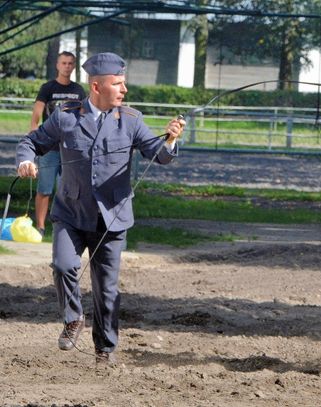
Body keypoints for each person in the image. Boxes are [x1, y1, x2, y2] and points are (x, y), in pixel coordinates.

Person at [16, 52, 186, 364]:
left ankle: (104, 350)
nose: (124, 89)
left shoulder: (132, 120)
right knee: (64, 266)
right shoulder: (66, 117)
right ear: (97, 87)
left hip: (112, 220)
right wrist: (26, 161)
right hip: (70, 214)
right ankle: (73, 318)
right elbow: (32, 142)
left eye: (124, 83)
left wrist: (172, 140)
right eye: (117, 84)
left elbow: (158, 154)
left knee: (106, 292)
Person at [30, 51, 86, 237]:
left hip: (70, 148)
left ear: (74, 66)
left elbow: (85, 114)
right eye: (64, 63)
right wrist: (33, 129)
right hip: (49, 146)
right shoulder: (48, 88)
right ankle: (40, 227)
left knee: (69, 190)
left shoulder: (78, 90)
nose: (67, 66)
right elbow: (38, 110)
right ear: (57, 65)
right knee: (45, 188)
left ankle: (66, 226)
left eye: (70, 63)